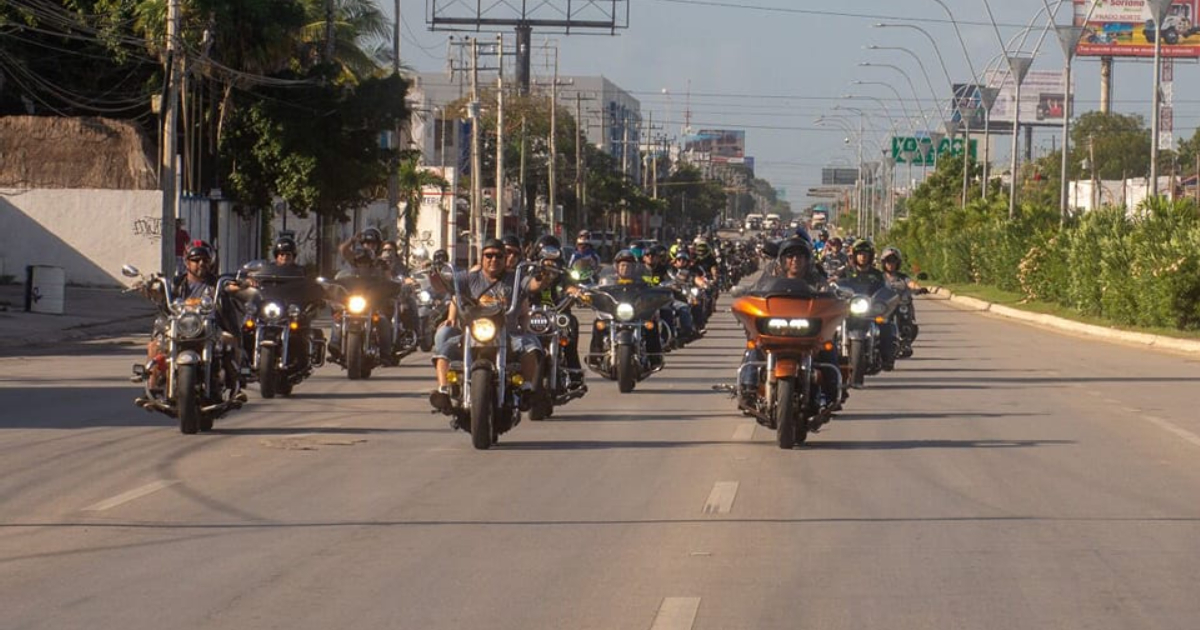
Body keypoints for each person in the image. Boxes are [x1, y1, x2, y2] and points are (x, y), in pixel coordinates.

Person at [430, 238, 547, 418]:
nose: (493, 260)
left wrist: (543, 274)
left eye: (498, 256)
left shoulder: (514, 279)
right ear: (482, 257)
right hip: (474, 332)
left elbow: (534, 285)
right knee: (444, 349)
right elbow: (443, 286)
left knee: (531, 345)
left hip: (506, 332)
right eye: (489, 255)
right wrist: (434, 273)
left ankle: (527, 388)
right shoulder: (469, 278)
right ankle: (443, 390)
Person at [587, 249, 665, 368]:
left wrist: (660, 288)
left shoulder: (642, 280)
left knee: (651, 323)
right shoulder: (608, 280)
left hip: (635, 312)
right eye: (622, 265)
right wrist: (590, 291)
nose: (625, 268)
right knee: (599, 323)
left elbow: (653, 285)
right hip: (615, 312)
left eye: (629, 265)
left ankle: (655, 357)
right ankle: (595, 355)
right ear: (617, 266)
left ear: (634, 268)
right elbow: (599, 288)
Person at [841, 240, 897, 371]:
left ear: (870, 256)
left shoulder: (877, 275)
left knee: (885, 325)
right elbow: (834, 283)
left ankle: (887, 358)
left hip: (869, 310)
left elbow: (886, 288)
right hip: (849, 309)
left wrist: (888, 295)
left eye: (865, 254)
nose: (862, 257)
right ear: (854, 255)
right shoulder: (846, 272)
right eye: (859, 254)